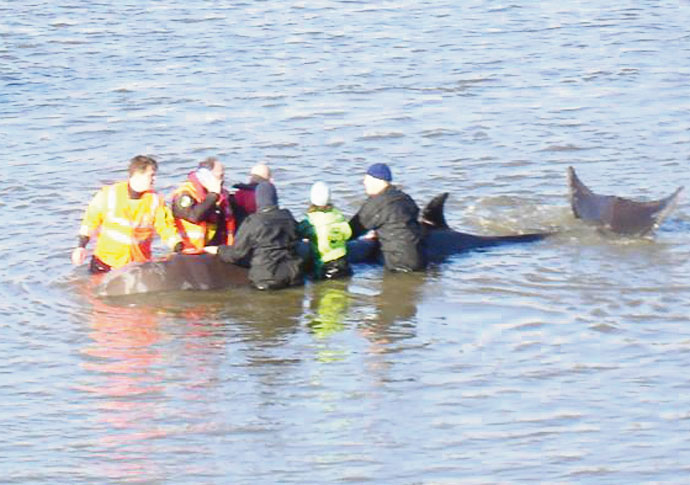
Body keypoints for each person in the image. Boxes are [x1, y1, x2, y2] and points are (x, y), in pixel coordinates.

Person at [71, 155, 183, 273]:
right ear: (138, 175)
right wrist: (81, 247)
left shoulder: (155, 200)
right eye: (151, 175)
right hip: (106, 262)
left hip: (138, 265)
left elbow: (166, 228)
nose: (154, 179)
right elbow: (90, 221)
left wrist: (178, 246)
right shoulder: (109, 195)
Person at [206, 182, 303, 290]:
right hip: (293, 275)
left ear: (259, 199)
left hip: (266, 279)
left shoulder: (254, 221)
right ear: (275, 198)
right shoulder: (288, 217)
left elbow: (236, 254)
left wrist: (219, 250)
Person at [348, 163, 425, 272]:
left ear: (376, 181)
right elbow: (402, 223)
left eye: (367, 180)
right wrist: (379, 232)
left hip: (398, 261)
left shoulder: (377, 203)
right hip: (420, 257)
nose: (364, 183)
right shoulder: (404, 198)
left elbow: (353, 230)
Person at [170, 157, 236, 250]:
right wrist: (213, 195)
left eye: (223, 176)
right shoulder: (185, 194)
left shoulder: (223, 194)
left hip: (215, 247)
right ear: (205, 176)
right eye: (219, 177)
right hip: (190, 250)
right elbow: (194, 216)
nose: (222, 181)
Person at [298, 181, 352, 280]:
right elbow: (348, 233)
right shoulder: (338, 216)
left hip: (325, 266)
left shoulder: (311, 221)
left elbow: (299, 232)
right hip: (344, 263)